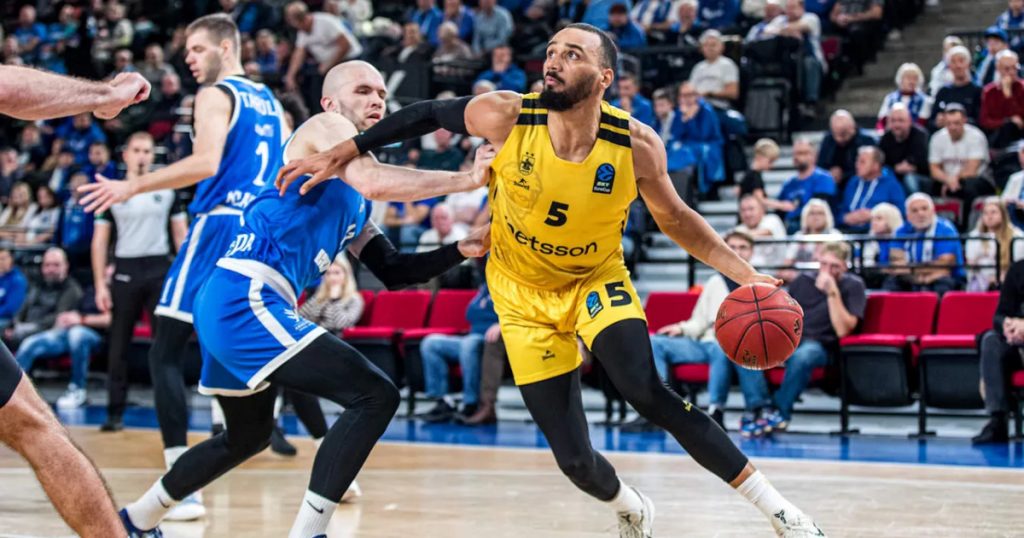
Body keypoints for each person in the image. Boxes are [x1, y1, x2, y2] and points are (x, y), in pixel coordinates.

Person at [279, 23, 825, 537]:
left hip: (594, 281)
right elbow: (425, 114)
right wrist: (348, 148)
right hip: (520, 297)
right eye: (551, 52)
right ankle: (630, 506)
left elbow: (678, 219)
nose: (554, 61)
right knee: (576, 462)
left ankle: (781, 512)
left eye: (572, 54)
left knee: (646, 392)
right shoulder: (507, 114)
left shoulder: (635, 144)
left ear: (605, 77)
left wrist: (746, 274)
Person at [118, 59, 490, 538]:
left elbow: (395, 270)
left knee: (246, 437)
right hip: (247, 294)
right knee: (375, 395)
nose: (377, 100)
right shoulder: (326, 128)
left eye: (382, 93)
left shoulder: (355, 197)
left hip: (236, 298)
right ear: (330, 102)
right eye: (363, 90)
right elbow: (375, 180)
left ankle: (135, 519)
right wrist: (466, 179)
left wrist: (462, 248)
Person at [78, 14, 288, 522]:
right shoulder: (272, 102)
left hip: (219, 225)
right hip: (262, 230)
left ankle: (180, 481)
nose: (189, 59)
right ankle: (314, 443)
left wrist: (131, 185)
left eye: (197, 49)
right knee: (228, 347)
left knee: (166, 351)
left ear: (225, 47)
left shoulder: (216, 94)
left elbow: (206, 163)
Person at [624, 231, 776, 438]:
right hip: (705, 343)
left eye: (743, 248)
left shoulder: (761, 286)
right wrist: (681, 329)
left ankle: (715, 411)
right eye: (732, 247)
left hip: (734, 347)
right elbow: (699, 321)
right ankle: (657, 408)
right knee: (656, 343)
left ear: (752, 252)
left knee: (722, 347)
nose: (738, 252)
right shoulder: (715, 282)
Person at [91, 132, 188, 432]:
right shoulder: (111, 191)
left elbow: (181, 237)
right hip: (125, 270)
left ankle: (169, 413)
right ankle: (114, 412)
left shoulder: (168, 190)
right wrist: (100, 285)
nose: (142, 156)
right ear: (126, 154)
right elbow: (99, 242)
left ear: (153, 154)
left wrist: (185, 278)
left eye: (147, 151)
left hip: (159, 269)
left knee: (164, 346)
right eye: (136, 150)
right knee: (118, 345)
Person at [766, 242, 865, 429]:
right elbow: (785, 316)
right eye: (824, 264)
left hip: (824, 345)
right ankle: (757, 407)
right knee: (750, 346)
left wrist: (832, 292)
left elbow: (843, 330)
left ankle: (779, 411)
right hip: (794, 339)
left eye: (834, 266)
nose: (827, 271)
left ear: (845, 266)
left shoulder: (853, 285)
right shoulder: (802, 280)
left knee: (804, 356)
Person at [417, 281, 499, 422]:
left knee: (469, 344)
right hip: (472, 336)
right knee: (431, 343)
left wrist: (501, 324)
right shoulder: (485, 288)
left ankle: (471, 403)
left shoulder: (508, 288)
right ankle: (444, 401)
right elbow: (470, 314)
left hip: (490, 341)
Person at [972, 258, 1024, 444]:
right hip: (1017, 342)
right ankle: (997, 421)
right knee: (991, 340)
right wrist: (1008, 325)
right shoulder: (1018, 269)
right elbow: (999, 315)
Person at [284, 1, 363, 109]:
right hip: (326, 66)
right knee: (314, 88)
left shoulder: (325, 22)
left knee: (344, 91)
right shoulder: (302, 31)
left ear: (300, 19)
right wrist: (290, 76)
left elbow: (345, 45)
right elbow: (299, 54)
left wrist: (328, 64)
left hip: (349, 60)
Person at [884, 193, 965, 294]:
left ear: (933, 211)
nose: (920, 214)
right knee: (891, 282)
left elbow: (944, 265)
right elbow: (897, 264)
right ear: (908, 216)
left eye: (924, 209)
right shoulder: (901, 231)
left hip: (943, 278)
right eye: (915, 210)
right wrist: (919, 278)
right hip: (912, 278)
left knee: (943, 284)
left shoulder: (946, 229)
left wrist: (911, 269)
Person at [927, 104, 993, 207]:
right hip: (947, 178)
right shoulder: (937, 138)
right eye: (949, 123)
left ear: (964, 120)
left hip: (975, 178)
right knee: (931, 187)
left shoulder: (976, 136)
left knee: (968, 187)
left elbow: (971, 170)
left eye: (956, 123)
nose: (952, 127)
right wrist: (947, 180)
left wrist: (953, 180)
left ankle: (968, 217)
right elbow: (934, 169)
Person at [836, 146, 907, 233]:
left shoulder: (891, 185)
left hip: (877, 234)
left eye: (862, 162)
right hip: (847, 232)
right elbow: (840, 211)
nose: (857, 165)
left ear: (876, 166)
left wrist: (874, 215)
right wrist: (846, 218)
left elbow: (900, 213)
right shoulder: (853, 182)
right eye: (857, 161)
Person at [776, 138, 836, 232]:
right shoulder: (788, 184)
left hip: (813, 229)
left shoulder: (823, 178)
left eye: (802, 153)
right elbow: (779, 211)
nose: (797, 157)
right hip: (788, 229)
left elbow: (819, 207)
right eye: (795, 153)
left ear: (814, 156)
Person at [965, 197, 1024, 291]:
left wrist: (1002, 277)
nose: (989, 216)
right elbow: (971, 264)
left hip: (1009, 280)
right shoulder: (974, 237)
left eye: (993, 212)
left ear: (1003, 214)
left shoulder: (1017, 236)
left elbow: (1018, 265)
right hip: (982, 281)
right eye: (985, 213)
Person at [781, 199, 842, 282]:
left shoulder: (834, 235)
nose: (816, 217)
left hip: (827, 278)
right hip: (800, 280)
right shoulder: (799, 236)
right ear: (805, 216)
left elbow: (839, 265)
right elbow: (786, 265)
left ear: (827, 217)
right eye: (812, 213)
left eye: (820, 213)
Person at [816, 109, 876, 187]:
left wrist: (843, 175)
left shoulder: (867, 141)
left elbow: (869, 168)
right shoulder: (828, 140)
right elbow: (820, 164)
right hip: (831, 182)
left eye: (843, 134)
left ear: (852, 128)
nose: (839, 139)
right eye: (835, 134)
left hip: (858, 183)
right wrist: (829, 173)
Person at [879, 103, 930, 194]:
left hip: (920, 177)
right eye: (893, 121)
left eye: (901, 120)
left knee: (909, 178)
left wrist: (911, 166)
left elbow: (924, 162)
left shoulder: (921, 135)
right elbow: (882, 163)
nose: (897, 124)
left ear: (909, 121)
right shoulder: (885, 138)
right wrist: (896, 168)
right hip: (894, 175)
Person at [930, 45, 982, 130]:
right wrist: (937, 122)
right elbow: (931, 121)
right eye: (953, 62)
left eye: (961, 61)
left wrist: (958, 121)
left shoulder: (978, 91)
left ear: (968, 64)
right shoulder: (943, 92)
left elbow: (981, 121)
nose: (958, 65)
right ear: (949, 66)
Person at [980, 50, 1024, 149]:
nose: (1012, 72)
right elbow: (985, 120)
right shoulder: (989, 91)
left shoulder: (1022, 88)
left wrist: (1008, 96)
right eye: (1007, 69)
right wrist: (1005, 121)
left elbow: (1020, 119)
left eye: (1014, 68)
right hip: (998, 139)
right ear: (998, 69)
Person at [689, 29, 740, 110]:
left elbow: (733, 93)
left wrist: (709, 93)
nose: (710, 48)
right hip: (697, 106)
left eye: (713, 45)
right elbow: (690, 89)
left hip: (719, 106)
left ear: (722, 47)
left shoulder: (727, 64)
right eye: (706, 45)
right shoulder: (698, 67)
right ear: (701, 48)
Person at [734, 194, 787, 270]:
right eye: (743, 210)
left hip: (775, 272)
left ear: (762, 210)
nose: (747, 214)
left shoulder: (772, 219)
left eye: (751, 209)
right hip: (748, 272)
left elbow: (766, 232)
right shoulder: (739, 228)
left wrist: (737, 237)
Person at [876, 63, 931, 130]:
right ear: (901, 79)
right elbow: (881, 121)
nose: (912, 81)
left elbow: (921, 123)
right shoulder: (890, 98)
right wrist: (881, 132)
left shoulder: (924, 100)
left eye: (915, 78)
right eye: (908, 78)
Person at [0, 248, 27, 328]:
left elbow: (11, 308)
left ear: (11, 259)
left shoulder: (18, 280)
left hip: (7, 319)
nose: (1, 262)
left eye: (3, 259)